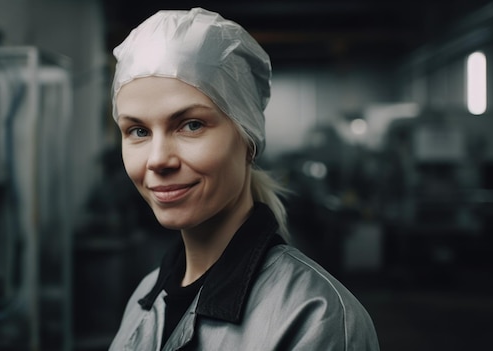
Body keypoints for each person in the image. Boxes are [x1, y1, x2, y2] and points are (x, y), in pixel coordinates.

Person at [108, 7, 380, 351]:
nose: (158, 159)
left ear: (248, 140)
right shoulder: (145, 298)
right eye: (138, 130)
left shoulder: (315, 318)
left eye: (191, 125)